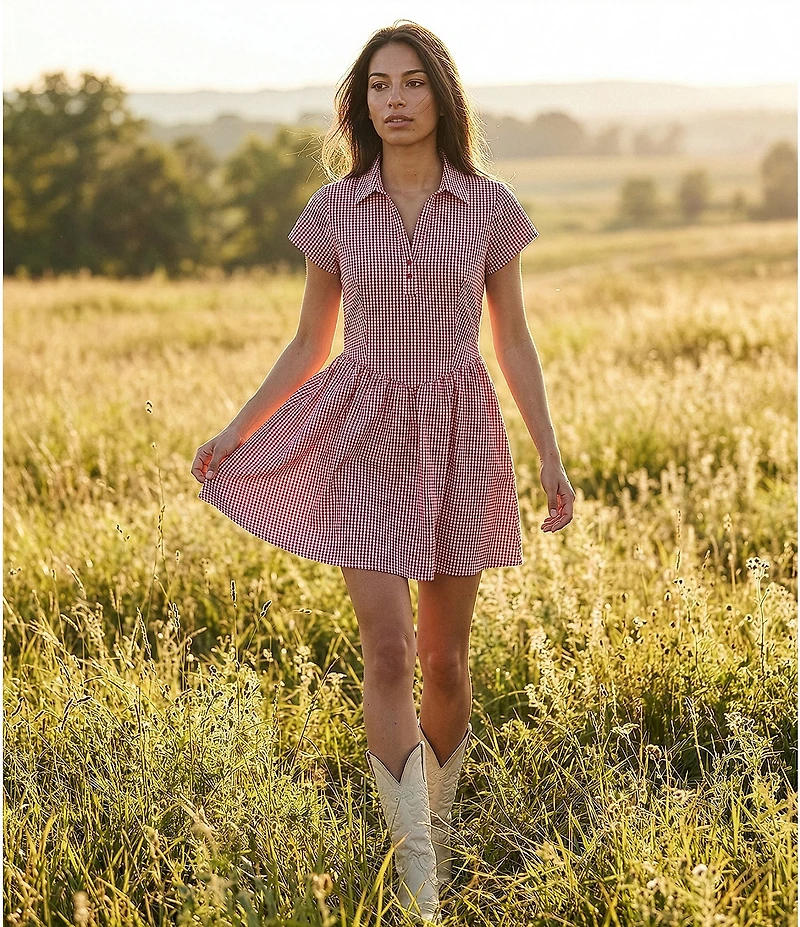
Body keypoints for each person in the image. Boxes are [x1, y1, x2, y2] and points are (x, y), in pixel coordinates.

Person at [191, 20, 575, 924]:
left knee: (446, 657)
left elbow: (512, 339)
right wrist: (240, 426)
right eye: (377, 86)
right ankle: (419, 883)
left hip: (457, 432)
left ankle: (431, 829)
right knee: (390, 650)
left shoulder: (489, 206)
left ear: (442, 96)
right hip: (360, 432)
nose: (393, 101)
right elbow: (308, 341)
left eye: (409, 84)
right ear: (360, 103)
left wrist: (551, 454)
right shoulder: (335, 209)